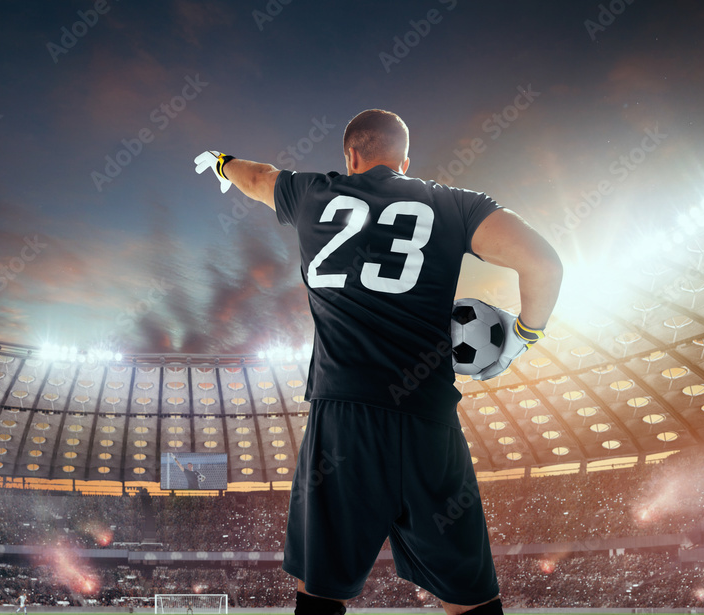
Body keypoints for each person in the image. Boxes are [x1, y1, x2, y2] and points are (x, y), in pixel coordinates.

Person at [194, 109, 562, 615]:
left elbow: (256, 177)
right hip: (427, 417)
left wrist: (221, 162)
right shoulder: (454, 205)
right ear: (405, 161)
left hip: (342, 416)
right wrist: (525, 335)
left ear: (350, 155)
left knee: (321, 593)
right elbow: (544, 262)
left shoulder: (312, 193)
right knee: (471, 599)